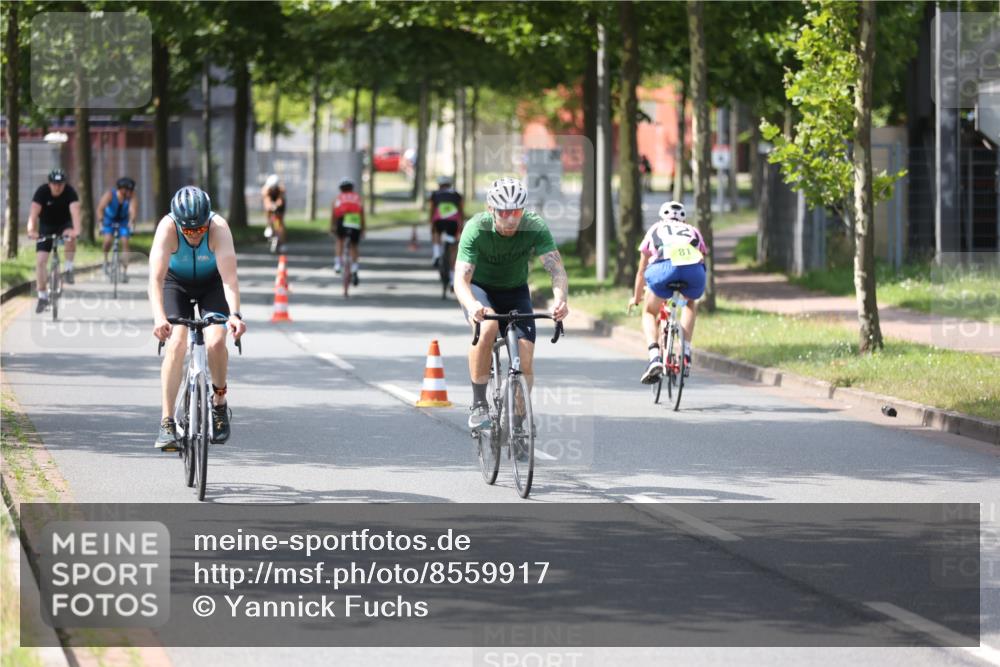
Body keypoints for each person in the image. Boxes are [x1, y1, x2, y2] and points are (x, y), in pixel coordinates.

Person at [454, 177, 569, 431]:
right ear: (491, 209)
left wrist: (560, 299)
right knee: (488, 329)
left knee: (525, 357)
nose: (510, 219)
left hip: (515, 291)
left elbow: (556, 270)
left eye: (516, 212)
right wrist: (473, 305)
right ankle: (478, 403)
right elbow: (461, 280)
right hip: (479, 290)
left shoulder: (534, 226)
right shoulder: (476, 228)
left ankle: (517, 422)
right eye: (504, 212)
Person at [148, 186, 246, 450]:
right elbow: (155, 280)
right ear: (178, 224)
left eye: (199, 229)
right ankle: (167, 422)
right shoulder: (167, 228)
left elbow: (229, 280)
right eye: (188, 230)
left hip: (211, 284)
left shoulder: (219, 228)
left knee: (215, 341)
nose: (194, 235)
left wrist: (234, 315)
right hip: (176, 284)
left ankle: (219, 403)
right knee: (177, 342)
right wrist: (159, 318)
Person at [627, 200, 707, 384]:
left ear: (663, 217)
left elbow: (641, 270)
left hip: (664, 269)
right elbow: (703, 257)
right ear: (683, 219)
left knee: (648, 311)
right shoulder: (693, 230)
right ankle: (686, 351)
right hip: (693, 272)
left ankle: (654, 356)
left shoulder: (656, 228)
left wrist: (637, 298)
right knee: (689, 302)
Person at [27, 169, 81, 313]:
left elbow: (75, 212)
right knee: (41, 261)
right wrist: (31, 230)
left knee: (70, 236)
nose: (57, 187)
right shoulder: (42, 192)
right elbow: (33, 214)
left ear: (64, 184)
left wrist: (76, 231)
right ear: (49, 183)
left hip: (64, 225)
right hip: (46, 227)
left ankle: (69, 267)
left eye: (60, 184)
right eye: (54, 184)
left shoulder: (70, 192)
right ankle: (42, 296)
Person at [97, 177, 137, 281]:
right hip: (109, 221)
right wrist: (101, 223)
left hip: (123, 221)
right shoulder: (110, 194)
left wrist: (131, 222)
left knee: (125, 242)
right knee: (108, 241)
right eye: (129, 190)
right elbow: (100, 208)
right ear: (122, 189)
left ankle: (124, 271)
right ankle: (105, 261)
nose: (131, 192)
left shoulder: (131, 197)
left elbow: (133, 210)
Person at [428, 175, 464, 281]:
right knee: (453, 250)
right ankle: (453, 280)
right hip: (453, 223)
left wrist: (431, 222)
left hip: (439, 221)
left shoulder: (435, 194)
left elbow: (432, 209)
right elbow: (461, 212)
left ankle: (436, 254)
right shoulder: (457, 195)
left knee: (436, 232)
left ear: (439, 185)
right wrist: (461, 226)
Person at [331, 178, 365, 284]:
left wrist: (332, 226)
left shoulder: (338, 198)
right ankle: (355, 268)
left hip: (342, 220)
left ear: (341, 189)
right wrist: (363, 228)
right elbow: (361, 214)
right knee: (354, 245)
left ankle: (337, 263)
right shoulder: (357, 198)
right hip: (355, 221)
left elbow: (334, 214)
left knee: (340, 240)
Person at [260, 174, 287, 253]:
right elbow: (266, 201)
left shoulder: (281, 189)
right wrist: (270, 206)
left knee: (280, 223)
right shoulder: (265, 190)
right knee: (268, 211)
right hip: (270, 203)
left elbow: (280, 200)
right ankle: (269, 226)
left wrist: (277, 205)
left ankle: (282, 243)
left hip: (279, 206)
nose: (273, 189)